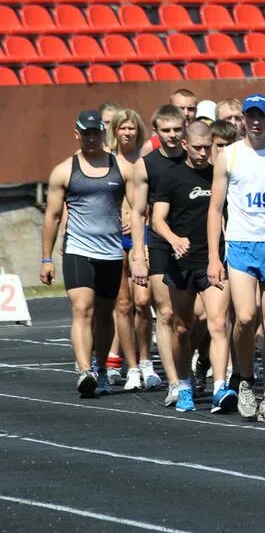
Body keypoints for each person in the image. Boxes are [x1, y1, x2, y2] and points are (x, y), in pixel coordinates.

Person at [207, 94, 265, 422]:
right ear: (242, 119)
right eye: (250, 116)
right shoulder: (228, 155)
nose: (256, 122)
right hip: (240, 243)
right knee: (244, 317)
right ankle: (243, 376)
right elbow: (215, 208)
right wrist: (214, 256)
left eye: (262, 116)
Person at [40, 111, 134, 397]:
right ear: (77, 133)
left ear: (103, 133)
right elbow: (53, 216)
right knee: (82, 308)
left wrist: (137, 241)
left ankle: (102, 367)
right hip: (78, 249)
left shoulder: (122, 168)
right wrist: (46, 258)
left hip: (111, 251)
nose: (92, 138)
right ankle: (84, 370)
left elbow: (139, 208)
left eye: (96, 132)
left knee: (105, 315)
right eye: (87, 133)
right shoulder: (64, 171)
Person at [151, 121, 231, 413]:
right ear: (184, 145)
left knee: (218, 323)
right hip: (182, 262)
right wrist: (173, 239)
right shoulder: (171, 177)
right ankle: (183, 383)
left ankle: (221, 387)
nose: (202, 153)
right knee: (182, 328)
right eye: (196, 147)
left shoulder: (218, 174)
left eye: (207, 148)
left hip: (213, 260)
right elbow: (157, 219)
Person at [130, 105, 188, 405]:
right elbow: (139, 213)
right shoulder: (146, 165)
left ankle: (196, 366)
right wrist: (139, 254)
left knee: (195, 318)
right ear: (156, 132)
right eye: (166, 130)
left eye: (177, 129)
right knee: (165, 314)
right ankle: (175, 382)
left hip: (195, 243)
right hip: (161, 243)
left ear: (185, 128)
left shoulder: (197, 158)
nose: (172, 135)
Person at [107, 109, 154, 391]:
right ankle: (132, 365)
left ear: (138, 130)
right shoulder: (108, 162)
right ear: (115, 131)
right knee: (122, 304)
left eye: (131, 128)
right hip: (114, 236)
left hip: (144, 235)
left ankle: (147, 360)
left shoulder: (146, 160)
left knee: (143, 301)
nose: (127, 132)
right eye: (122, 128)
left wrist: (141, 219)